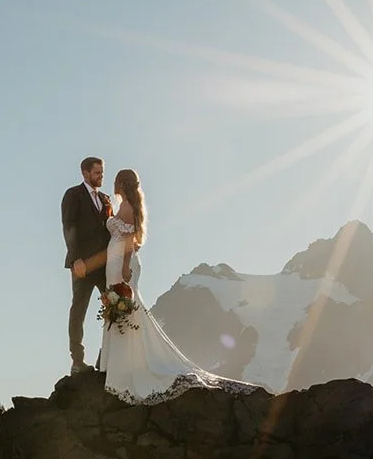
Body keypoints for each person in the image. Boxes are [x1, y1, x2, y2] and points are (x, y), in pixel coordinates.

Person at [97, 168, 263, 405]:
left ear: (121, 184)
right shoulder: (126, 206)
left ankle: (125, 366)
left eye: (116, 182)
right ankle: (118, 363)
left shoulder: (128, 208)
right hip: (116, 262)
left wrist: (124, 266)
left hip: (121, 262)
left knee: (124, 305)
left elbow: (128, 240)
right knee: (121, 306)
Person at [61, 157, 112, 375]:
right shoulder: (73, 195)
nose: (101, 176)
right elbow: (69, 227)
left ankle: (108, 355)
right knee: (79, 310)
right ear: (85, 173)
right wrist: (75, 259)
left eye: (102, 173)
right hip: (83, 264)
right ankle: (77, 361)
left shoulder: (105, 198)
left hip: (105, 265)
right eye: (97, 173)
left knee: (115, 306)